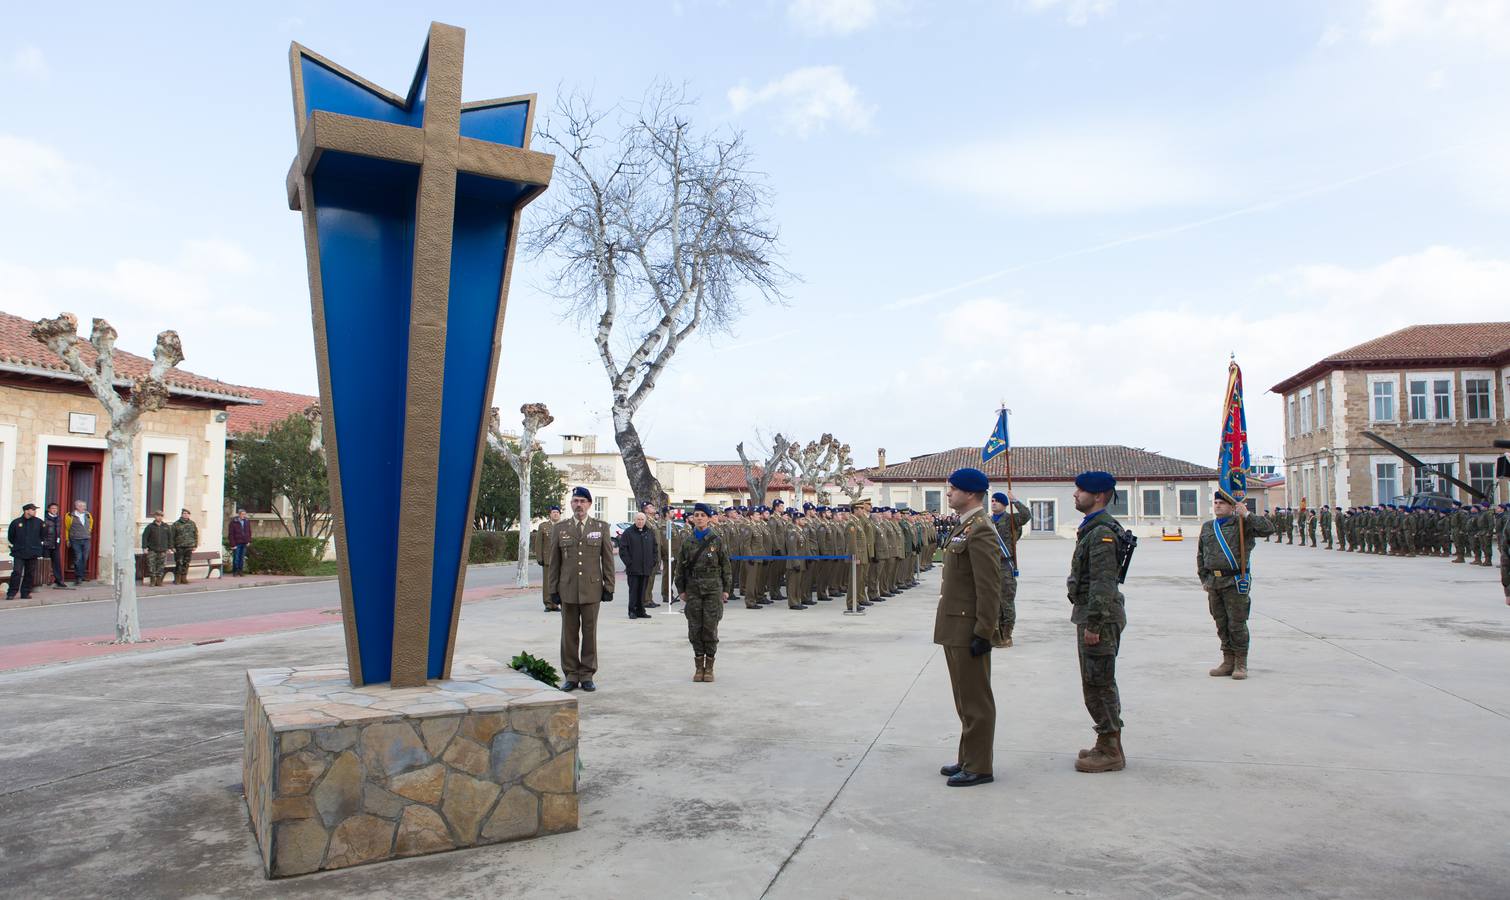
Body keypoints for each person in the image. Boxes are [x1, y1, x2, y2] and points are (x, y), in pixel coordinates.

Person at [934, 467, 1001, 787]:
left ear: (971, 493)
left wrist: (983, 632)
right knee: (964, 697)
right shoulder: (966, 526)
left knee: (976, 700)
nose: (948, 493)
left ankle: (980, 766)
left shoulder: (981, 529)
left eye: (953, 489)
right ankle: (967, 757)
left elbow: (989, 587)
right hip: (955, 624)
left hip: (968, 627)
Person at [1067, 470, 1130, 774]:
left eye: (1081, 491)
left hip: (1099, 618)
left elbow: (1103, 584)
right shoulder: (1093, 528)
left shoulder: (1102, 532)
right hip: (1094, 614)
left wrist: (1094, 624)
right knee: (1095, 681)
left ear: (1099, 496)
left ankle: (1109, 749)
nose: (1075, 495)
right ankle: (1108, 742)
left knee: (1099, 683)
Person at [1197, 490, 1275, 680]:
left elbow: (1268, 529)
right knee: (1221, 623)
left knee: (1236, 624)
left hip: (1234, 581)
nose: (1217, 506)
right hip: (1214, 582)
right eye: (1215, 503)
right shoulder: (1208, 527)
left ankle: (1241, 662)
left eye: (1222, 503)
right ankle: (1228, 660)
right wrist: (1204, 579)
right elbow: (1201, 554)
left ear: (1232, 507)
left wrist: (1246, 514)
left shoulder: (1242, 524)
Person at [547, 486, 615, 692]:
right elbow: (554, 562)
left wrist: (608, 585)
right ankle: (570, 674)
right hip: (567, 589)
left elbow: (608, 559)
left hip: (592, 589)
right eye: (575, 501)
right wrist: (552, 589)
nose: (579, 505)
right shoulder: (561, 528)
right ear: (570, 504)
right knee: (568, 635)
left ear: (589, 504)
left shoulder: (601, 527)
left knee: (589, 633)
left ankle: (586, 674)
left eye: (583, 501)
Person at [675, 503, 732, 682]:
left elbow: (726, 566)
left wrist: (726, 590)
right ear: (692, 518)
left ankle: (709, 668)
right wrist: (681, 589)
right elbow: (680, 568)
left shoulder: (716, 539)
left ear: (708, 518)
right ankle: (699, 667)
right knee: (695, 628)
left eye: (702, 515)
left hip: (713, 589)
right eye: (696, 515)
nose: (699, 517)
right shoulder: (687, 540)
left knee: (710, 628)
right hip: (693, 590)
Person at [989, 491, 1030, 648]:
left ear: (1004, 505)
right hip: (991, 565)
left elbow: (1026, 516)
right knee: (994, 602)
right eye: (992, 501)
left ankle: (1007, 635)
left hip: (1006, 565)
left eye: (997, 501)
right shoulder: (988, 521)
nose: (993, 503)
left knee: (1006, 601)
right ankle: (997, 634)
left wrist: (1015, 501)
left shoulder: (1011, 519)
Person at [618, 511, 657, 620]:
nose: (640, 522)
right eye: (638, 519)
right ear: (634, 520)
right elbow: (623, 550)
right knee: (634, 590)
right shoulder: (628, 533)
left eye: (642, 519)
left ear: (645, 521)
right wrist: (629, 563)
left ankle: (641, 610)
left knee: (643, 590)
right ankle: (632, 611)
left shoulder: (649, 532)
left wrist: (653, 561)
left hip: (646, 568)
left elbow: (655, 548)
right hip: (633, 568)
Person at [6, 503, 45, 600]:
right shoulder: (16, 522)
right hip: (19, 552)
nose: (35, 511)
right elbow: (11, 537)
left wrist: (36, 545)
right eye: (33, 510)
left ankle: (25, 593)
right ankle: (11, 593)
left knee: (30, 573)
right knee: (17, 572)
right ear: (26, 511)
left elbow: (43, 535)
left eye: (35, 510)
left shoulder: (39, 522)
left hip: (33, 552)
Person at [535, 506, 562, 611]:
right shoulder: (543, 526)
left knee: (559, 582)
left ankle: (556, 603)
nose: (555, 514)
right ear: (550, 514)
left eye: (557, 512)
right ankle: (548, 603)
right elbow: (538, 543)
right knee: (547, 582)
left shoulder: (563, 526)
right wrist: (539, 557)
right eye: (553, 512)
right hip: (548, 558)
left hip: (561, 559)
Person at [63, 498, 93, 585]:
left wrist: (89, 531)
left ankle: (82, 574)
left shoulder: (88, 515)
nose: (84, 507)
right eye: (81, 506)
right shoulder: (70, 516)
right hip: (75, 539)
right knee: (78, 557)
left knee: (85, 557)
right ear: (76, 507)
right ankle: (78, 577)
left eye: (84, 506)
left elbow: (91, 524)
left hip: (86, 539)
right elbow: (67, 528)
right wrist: (67, 539)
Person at [142, 511, 173, 586]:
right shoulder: (150, 527)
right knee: (151, 566)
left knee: (161, 566)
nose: (159, 517)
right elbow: (145, 537)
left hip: (163, 550)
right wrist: (144, 547)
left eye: (161, 516)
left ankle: (159, 581)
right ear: (155, 516)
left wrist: (170, 547)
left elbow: (170, 538)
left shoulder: (166, 526)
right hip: (152, 550)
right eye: (158, 515)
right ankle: (152, 581)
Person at [41, 502, 68, 589]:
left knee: (57, 563)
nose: (54, 510)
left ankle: (59, 580)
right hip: (46, 543)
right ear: (49, 509)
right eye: (52, 508)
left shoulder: (58, 518)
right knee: (46, 563)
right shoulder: (45, 518)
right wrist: (42, 541)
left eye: (56, 509)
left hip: (56, 544)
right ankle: (45, 580)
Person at [171, 508, 199, 585]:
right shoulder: (176, 524)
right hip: (179, 546)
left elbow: (195, 534)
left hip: (189, 546)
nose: (185, 514)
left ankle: (184, 578)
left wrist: (195, 545)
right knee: (179, 563)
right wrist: (172, 547)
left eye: (187, 513)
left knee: (186, 563)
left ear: (189, 515)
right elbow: (172, 536)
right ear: (182, 514)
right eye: (184, 513)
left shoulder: (192, 523)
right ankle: (177, 579)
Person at [227, 508, 253, 576]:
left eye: (244, 514)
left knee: (242, 558)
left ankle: (240, 571)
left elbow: (249, 532)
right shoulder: (233, 522)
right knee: (236, 558)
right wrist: (233, 544)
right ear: (239, 514)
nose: (243, 516)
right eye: (242, 514)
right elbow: (231, 534)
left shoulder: (247, 521)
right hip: (237, 543)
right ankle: (235, 571)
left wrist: (249, 541)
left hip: (244, 542)